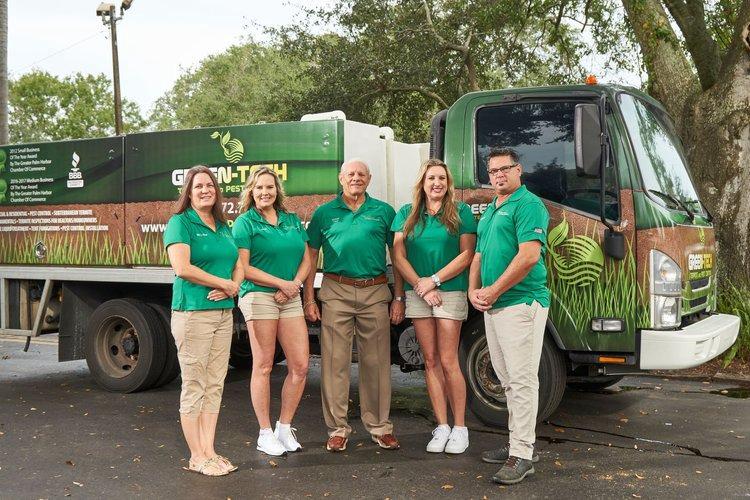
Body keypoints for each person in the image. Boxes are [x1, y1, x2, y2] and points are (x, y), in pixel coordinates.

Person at [303, 158, 405, 452]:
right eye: (350, 174)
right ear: (341, 178)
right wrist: (309, 298)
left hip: (375, 292)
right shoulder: (324, 213)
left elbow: (398, 257)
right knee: (335, 363)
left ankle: (380, 427)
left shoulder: (384, 212)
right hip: (336, 291)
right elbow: (310, 257)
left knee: (376, 363)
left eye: (361, 174)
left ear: (369, 179)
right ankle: (337, 429)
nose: (356, 178)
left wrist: (399, 297)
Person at [468, 147, 551, 485]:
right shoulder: (491, 209)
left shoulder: (528, 205)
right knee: (507, 381)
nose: (499, 175)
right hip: (495, 305)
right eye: (493, 171)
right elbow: (478, 255)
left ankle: (522, 454)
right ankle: (518, 443)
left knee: (521, 381)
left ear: (519, 170)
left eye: (505, 168)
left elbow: (529, 256)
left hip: (521, 302)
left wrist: (493, 290)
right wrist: (474, 290)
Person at [391, 158, 476, 454]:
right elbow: (398, 257)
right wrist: (421, 286)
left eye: (441, 178)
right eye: (431, 178)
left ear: (448, 183)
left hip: (449, 291)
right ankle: (442, 426)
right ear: (422, 183)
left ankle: (460, 428)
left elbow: (467, 255)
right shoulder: (406, 213)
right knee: (429, 360)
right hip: (419, 293)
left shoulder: (461, 212)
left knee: (448, 359)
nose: (436, 183)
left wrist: (434, 281)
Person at [164, 165, 243, 476]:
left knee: (214, 384)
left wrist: (233, 286)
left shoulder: (222, 226)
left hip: (223, 313)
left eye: (209, 185)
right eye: (198, 186)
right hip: (192, 313)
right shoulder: (180, 223)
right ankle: (196, 456)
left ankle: (209, 450)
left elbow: (238, 263)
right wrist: (223, 284)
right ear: (189, 192)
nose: (205, 190)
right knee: (195, 384)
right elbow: (182, 268)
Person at [232, 166, 311, 457]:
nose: (265, 192)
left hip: (289, 295)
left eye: (270, 187)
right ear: (251, 192)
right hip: (258, 296)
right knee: (264, 365)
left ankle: (283, 428)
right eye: (259, 188)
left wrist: (294, 285)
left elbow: (307, 259)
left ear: (277, 190)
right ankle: (264, 433)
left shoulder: (291, 220)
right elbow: (243, 267)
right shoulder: (245, 223)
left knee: (300, 366)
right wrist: (281, 284)